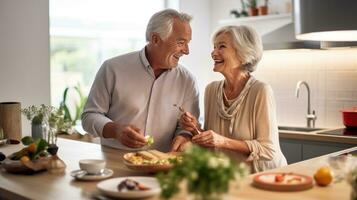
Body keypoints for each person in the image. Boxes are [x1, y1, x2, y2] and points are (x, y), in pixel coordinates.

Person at [82, 9, 199, 152]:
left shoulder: (187, 81)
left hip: (162, 166)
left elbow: (187, 128)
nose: (187, 51)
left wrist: (184, 135)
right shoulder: (112, 68)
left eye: (188, 43)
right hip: (115, 161)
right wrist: (116, 131)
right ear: (155, 39)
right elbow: (90, 116)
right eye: (181, 43)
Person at [180, 25, 287, 172]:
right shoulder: (211, 90)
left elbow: (268, 149)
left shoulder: (261, 91)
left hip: (264, 178)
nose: (213, 53)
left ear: (243, 54)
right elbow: (213, 143)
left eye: (221, 46)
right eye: (214, 47)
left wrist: (222, 141)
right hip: (231, 177)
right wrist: (195, 128)